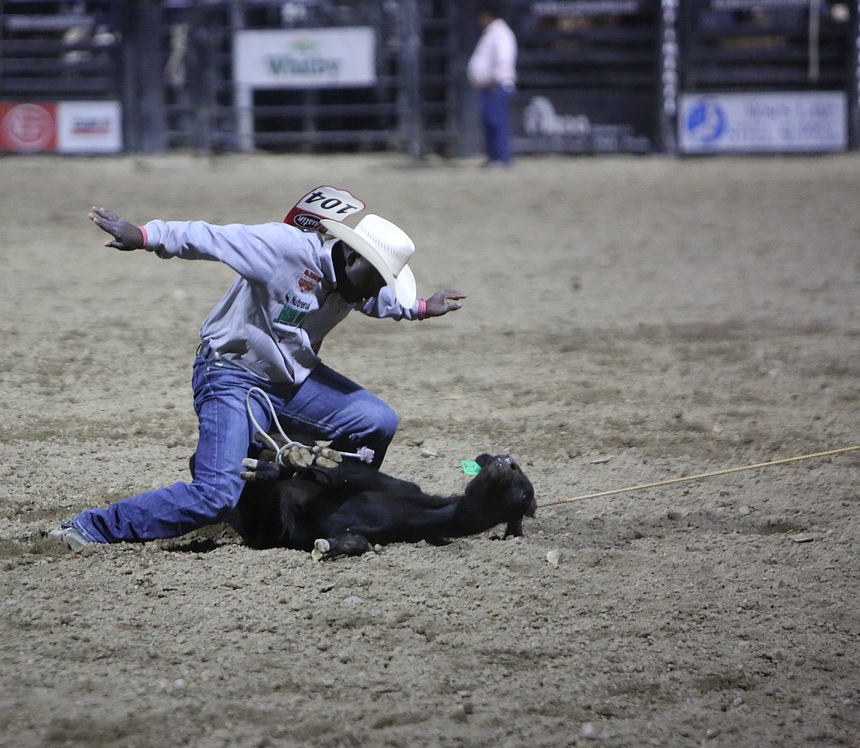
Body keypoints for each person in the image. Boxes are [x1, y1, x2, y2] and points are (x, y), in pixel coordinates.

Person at [47, 203, 466, 550]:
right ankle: (92, 527)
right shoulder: (284, 249)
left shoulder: (358, 284)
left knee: (377, 423)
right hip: (230, 374)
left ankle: (310, 498)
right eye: (374, 280)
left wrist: (421, 308)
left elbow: (379, 300)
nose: (375, 292)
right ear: (352, 256)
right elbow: (211, 236)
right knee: (214, 495)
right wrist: (145, 235)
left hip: (292, 382)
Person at [467, 1, 518, 167]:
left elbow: (504, 59)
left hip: (497, 85)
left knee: (497, 122)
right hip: (489, 85)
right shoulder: (491, 33)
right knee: (489, 122)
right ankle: (493, 156)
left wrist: (494, 79)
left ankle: (503, 158)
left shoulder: (501, 33)